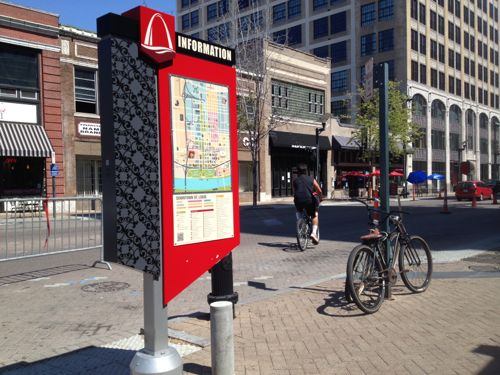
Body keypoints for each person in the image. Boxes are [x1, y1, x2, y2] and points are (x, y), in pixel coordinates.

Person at [293, 163, 322, 244]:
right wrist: (321, 198)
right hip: (309, 200)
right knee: (314, 215)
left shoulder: (295, 181)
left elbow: (295, 192)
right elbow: (319, 191)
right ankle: (313, 233)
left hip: (298, 200)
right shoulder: (311, 179)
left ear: (298, 172)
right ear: (306, 171)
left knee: (299, 211)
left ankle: (300, 224)